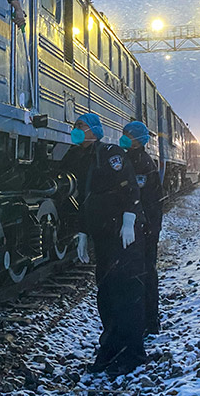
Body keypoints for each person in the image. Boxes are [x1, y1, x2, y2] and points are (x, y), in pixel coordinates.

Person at [60, 113, 147, 375]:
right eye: (75, 126)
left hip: (122, 234)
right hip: (102, 235)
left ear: (95, 131)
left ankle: (132, 354)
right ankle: (109, 349)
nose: (76, 130)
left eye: (81, 126)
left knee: (125, 294)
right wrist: (84, 233)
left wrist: (130, 219)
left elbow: (130, 188)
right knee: (106, 294)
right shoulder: (79, 157)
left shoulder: (110, 154)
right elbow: (85, 200)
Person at [121, 121, 163, 335]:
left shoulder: (143, 164)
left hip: (145, 227)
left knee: (145, 273)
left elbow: (148, 200)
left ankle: (150, 321)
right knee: (142, 273)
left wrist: (149, 228)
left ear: (138, 139)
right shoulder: (133, 159)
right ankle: (146, 319)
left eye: (128, 134)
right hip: (144, 225)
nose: (124, 137)